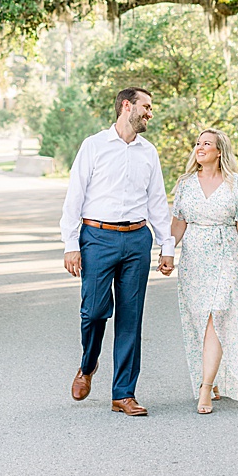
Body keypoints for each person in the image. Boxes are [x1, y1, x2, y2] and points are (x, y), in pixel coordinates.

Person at [60, 86, 175, 417]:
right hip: (96, 237)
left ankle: (123, 393)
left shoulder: (148, 152)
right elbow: (75, 196)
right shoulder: (94, 146)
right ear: (127, 106)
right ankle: (88, 364)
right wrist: (71, 244)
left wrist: (165, 245)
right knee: (93, 312)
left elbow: (156, 201)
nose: (150, 113)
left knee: (131, 318)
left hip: (137, 239)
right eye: (146, 107)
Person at [170, 128, 238, 413]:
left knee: (215, 318)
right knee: (197, 320)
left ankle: (205, 388)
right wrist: (166, 253)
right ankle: (211, 377)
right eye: (197, 143)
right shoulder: (185, 184)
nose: (200, 147)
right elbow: (179, 223)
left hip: (226, 258)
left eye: (207, 143)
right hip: (194, 259)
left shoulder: (237, 184)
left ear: (220, 151)